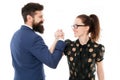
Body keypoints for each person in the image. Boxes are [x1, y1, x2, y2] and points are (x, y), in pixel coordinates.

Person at [10, 2, 65, 80]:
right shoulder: (34, 38)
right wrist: (61, 41)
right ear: (29, 18)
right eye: (40, 17)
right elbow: (52, 62)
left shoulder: (16, 35)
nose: (43, 19)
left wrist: (56, 39)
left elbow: (45, 55)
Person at [53, 14, 105, 80]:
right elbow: (51, 57)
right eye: (73, 26)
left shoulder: (97, 48)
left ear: (87, 27)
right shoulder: (69, 45)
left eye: (76, 26)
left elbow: (100, 71)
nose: (73, 29)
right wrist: (56, 39)